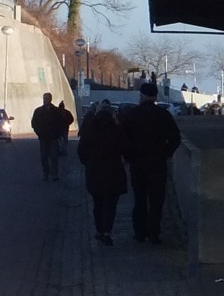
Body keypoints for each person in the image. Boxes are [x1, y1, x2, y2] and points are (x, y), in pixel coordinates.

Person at [118, 81, 181, 245]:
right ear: (155, 96)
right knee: (156, 200)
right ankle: (154, 233)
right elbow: (175, 138)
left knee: (139, 200)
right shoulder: (163, 115)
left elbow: (122, 139)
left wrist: (128, 156)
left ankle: (139, 232)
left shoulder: (131, 115)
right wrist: (166, 153)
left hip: (137, 162)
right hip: (157, 162)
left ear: (141, 95)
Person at [76, 106, 128, 245]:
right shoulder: (117, 132)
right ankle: (107, 231)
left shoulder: (89, 133)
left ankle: (99, 230)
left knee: (97, 203)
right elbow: (125, 150)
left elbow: (81, 152)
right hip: (113, 172)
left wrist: (87, 163)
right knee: (110, 204)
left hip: (94, 172)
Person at [31, 92, 67, 181]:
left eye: (47, 98)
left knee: (54, 157)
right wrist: (39, 133)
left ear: (50, 99)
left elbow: (62, 123)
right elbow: (34, 123)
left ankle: (55, 174)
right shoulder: (38, 111)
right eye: (44, 98)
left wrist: (58, 134)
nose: (45, 100)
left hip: (53, 138)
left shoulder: (56, 111)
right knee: (44, 157)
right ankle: (45, 173)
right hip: (43, 138)